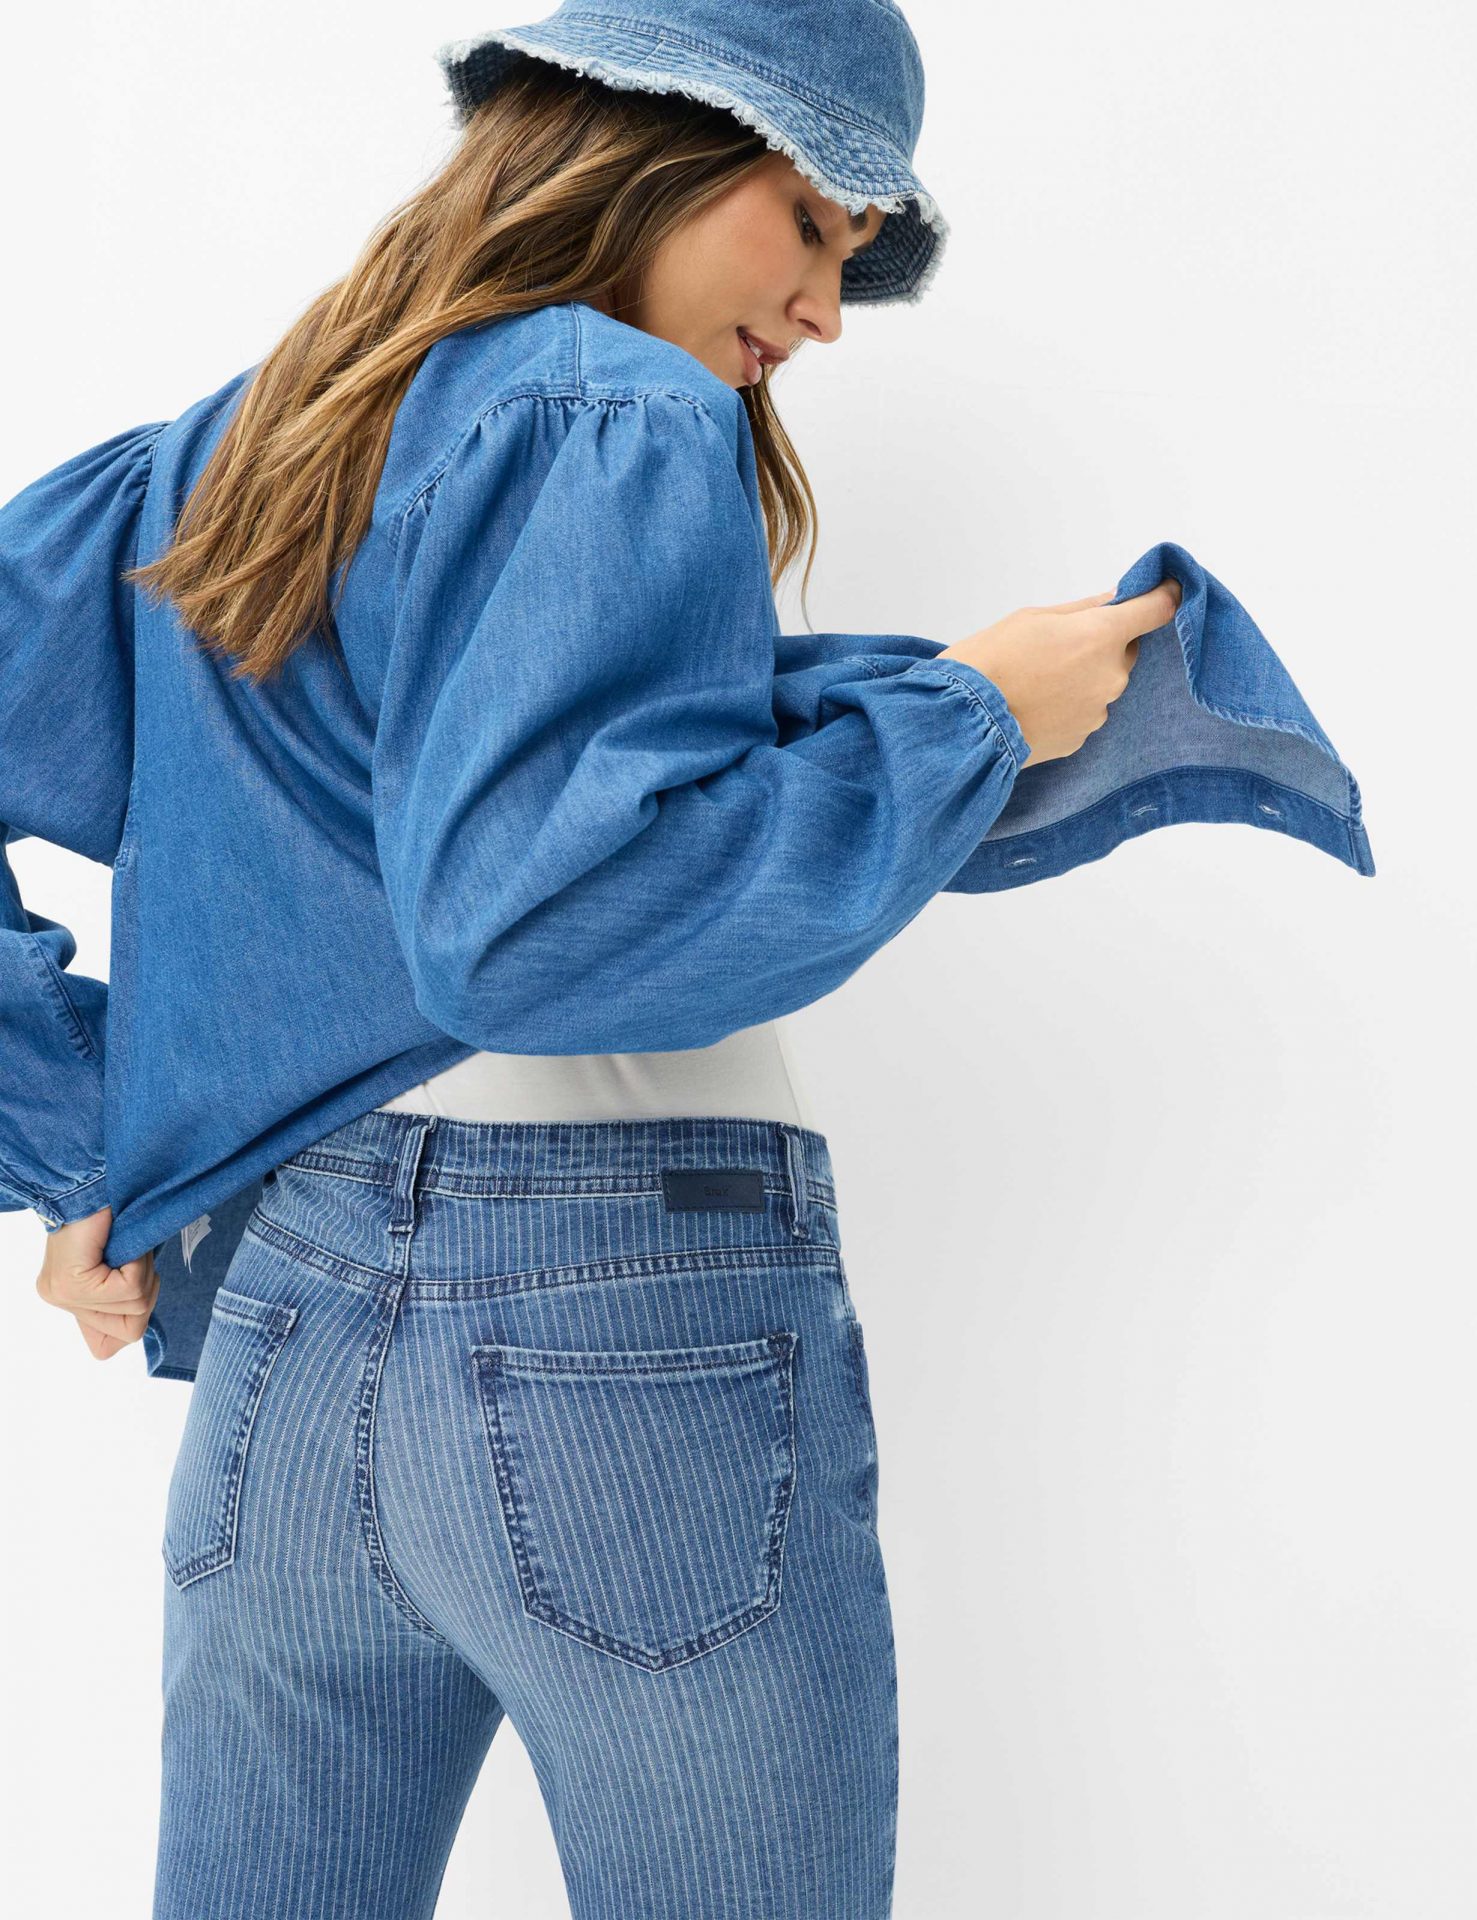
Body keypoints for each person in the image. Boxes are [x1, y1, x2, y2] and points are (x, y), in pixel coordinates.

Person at [1, 5, 1370, 1915]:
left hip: (290, 1311)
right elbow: (535, 931)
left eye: (848, 259)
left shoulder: (243, 442)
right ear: (641, 143)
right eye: (806, 222)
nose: (824, 312)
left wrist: (93, 1143)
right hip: (622, 1309)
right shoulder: (618, 403)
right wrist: (970, 714)